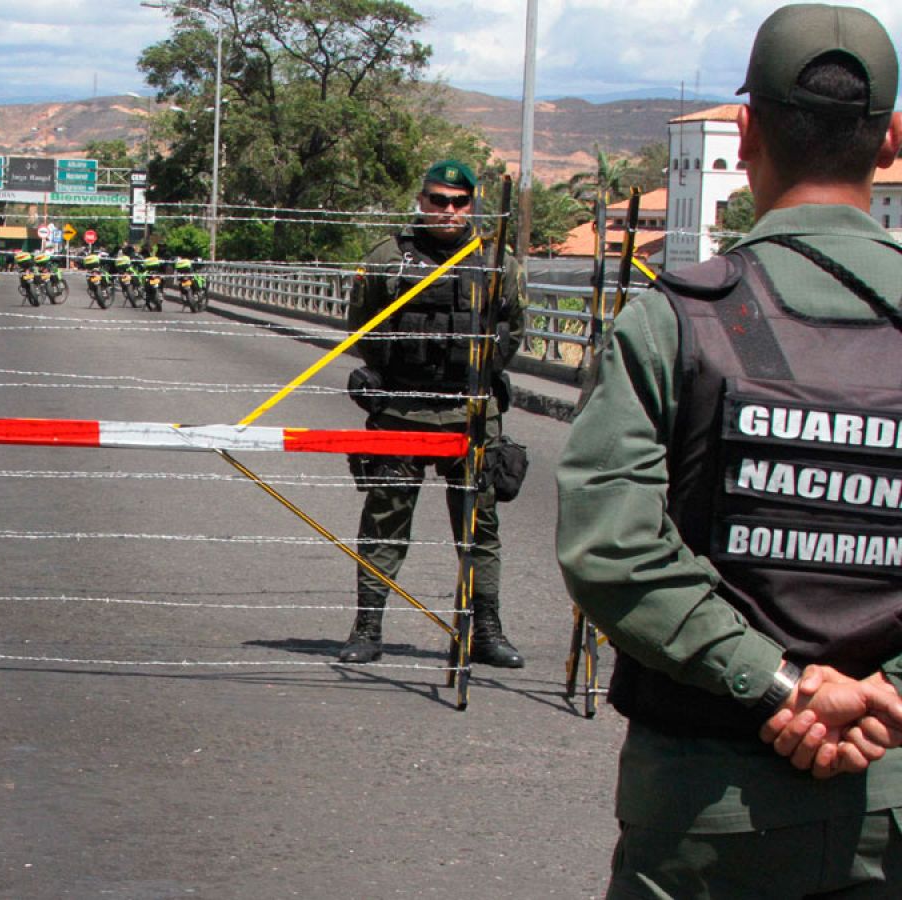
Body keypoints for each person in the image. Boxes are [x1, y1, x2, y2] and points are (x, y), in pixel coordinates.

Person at [557, 6, 902, 895]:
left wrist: (781, 685)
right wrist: (885, 694)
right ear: (892, 139)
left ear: (743, 134)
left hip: (711, 808)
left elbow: (615, 550)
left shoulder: (679, 319)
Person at [341, 158, 525, 668]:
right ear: (421, 201)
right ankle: (367, 627)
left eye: (459, 202)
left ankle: (484, 630)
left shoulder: (496, 261)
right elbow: (361, 325)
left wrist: (485, 374)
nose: (448, 210)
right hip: (401, 411)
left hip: (471, 414)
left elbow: (513, 328)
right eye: (438, 200)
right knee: (384, 522)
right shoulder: (387, 258)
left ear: (472, 204)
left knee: (478, 528)